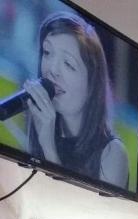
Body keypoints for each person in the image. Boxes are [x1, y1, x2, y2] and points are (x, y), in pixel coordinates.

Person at [23, 12, 128, 189]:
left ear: (92, 83)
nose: (52, 70)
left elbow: (81, 206)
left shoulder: (113, 153)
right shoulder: (44, 126)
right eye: (47, 53)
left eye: (69, 64)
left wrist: (48, 147)